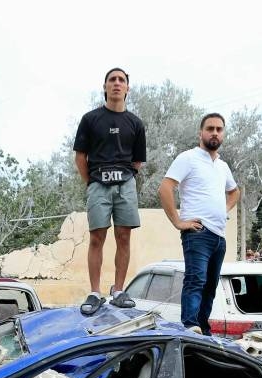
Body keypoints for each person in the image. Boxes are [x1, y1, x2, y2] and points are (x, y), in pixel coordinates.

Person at [73, 67, 147, 315]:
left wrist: (125, 178)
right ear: (104, 87)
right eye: (112, 80)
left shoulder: (135, 123)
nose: (116, 83)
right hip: (98, 183)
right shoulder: (90, 119)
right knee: (97, 237)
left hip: (125, 184)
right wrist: (91, 182)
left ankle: (118, 290)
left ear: (127, 88)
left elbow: (138, 161)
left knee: (124, 236)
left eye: (121, 80)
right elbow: (80, 157)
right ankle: (95, 292)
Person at [158, 113, 240, 335]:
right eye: (210, 128)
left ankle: (203, 331)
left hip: (219, 236)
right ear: (200, 133)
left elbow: (235, 192)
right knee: (196, 280)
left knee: (210, 287)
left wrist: (223, 209)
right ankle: (189, 326)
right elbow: (165, 188)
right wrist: (178, 222)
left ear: (223, 134)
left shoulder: (222, 166)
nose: (215, 133)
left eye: (219, 129)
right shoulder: (188, 158)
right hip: (198, 232)